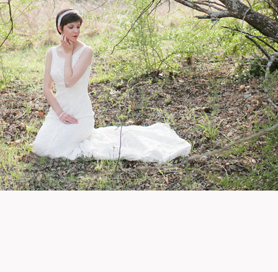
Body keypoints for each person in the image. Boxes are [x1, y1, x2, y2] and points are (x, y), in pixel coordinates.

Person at [32, 8, 191, 163]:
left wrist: (68, 55)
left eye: (78, 27)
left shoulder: (86, 51)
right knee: (41, 147)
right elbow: (47, 88)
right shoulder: (51, 53)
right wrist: (59, 113)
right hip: (58, 113)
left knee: (57, 149)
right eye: (71, 27)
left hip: (79, 114)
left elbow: (69, 82)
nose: (76, 31)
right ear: (60, 29)